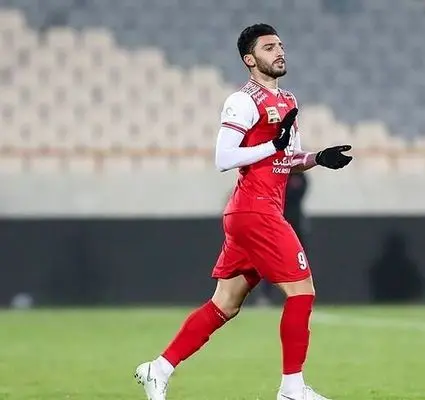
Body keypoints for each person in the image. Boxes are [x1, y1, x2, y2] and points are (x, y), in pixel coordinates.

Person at [134, 23, 353, 400]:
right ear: (250, 60)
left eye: (280, 45)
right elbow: (224, 158)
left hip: (253, 212)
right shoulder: (242, 101)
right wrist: (273, 147)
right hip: (256, 211)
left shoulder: (288, 100)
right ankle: (292, 389)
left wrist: (318, 157)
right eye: (269, 47)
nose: (279, 51)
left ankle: (159, 368)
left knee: (225, 304)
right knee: (302, 291)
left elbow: (286, 157)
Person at [257, 170, 310, 306]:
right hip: (276, 224)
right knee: (270, 261)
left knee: (297, 262)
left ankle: (296, 294)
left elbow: (295, 195)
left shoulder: (300, 177)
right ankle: (266, 295)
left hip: (294, 225)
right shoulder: (277, 174)